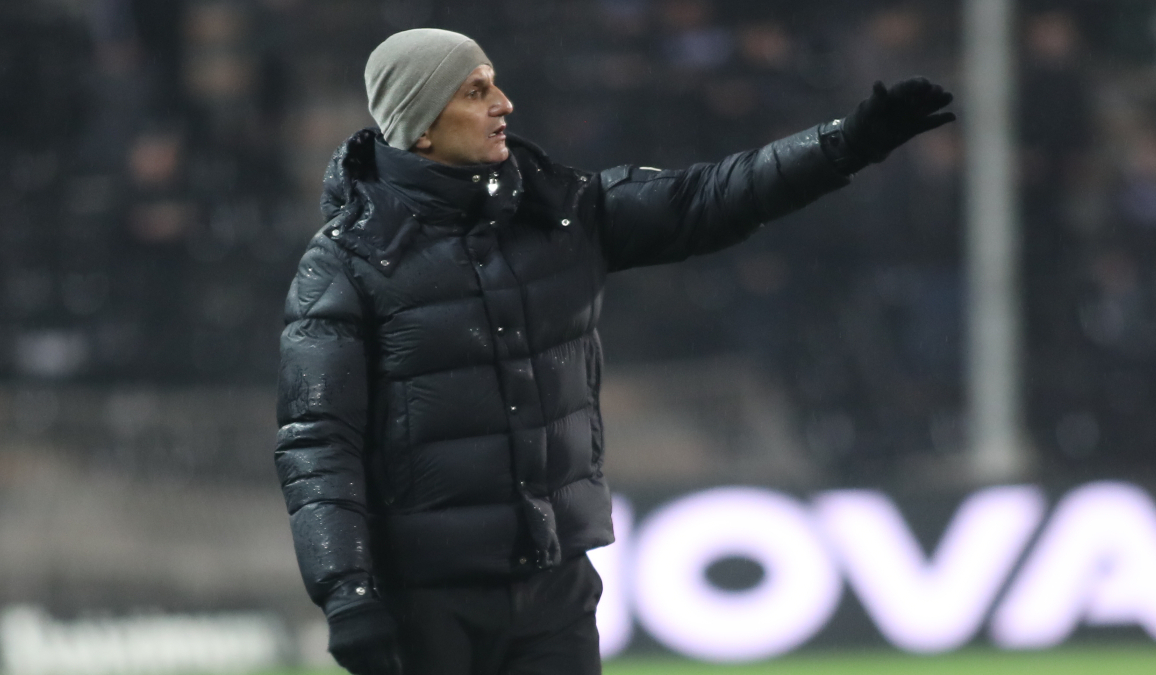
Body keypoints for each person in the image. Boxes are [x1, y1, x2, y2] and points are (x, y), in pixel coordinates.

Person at [274, 28, 954, 675]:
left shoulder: (561, 211)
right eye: (475, 91)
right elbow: (319, 439)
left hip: (554, 588)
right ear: (420, 124)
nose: (503, 103)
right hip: (424, 598)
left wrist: (844, 144)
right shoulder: (346, 263)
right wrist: (347, 588)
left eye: (494, 84)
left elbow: (710, 196)